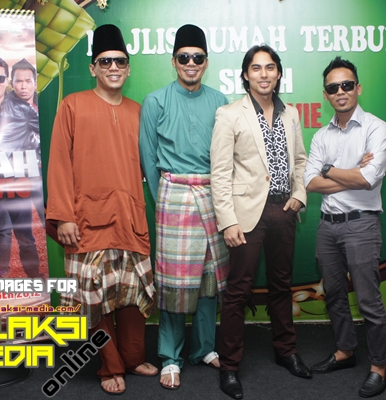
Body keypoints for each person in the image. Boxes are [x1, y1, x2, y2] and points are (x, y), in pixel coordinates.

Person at [46, 24, 157, 395]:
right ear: (93, 67)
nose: (113, 67)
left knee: (132, 295)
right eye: (105, 61)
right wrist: (63, 216)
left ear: (128, 68)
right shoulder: (72, 105)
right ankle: (110, 366)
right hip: (86, 222)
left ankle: (133, 357)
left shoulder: (139, 112)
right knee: (93, 301)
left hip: (130, 219)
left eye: (120, 62)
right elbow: (59, 163)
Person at [211, 44, 311, 400]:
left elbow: (300, 161)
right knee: (238, 291)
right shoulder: (229, 114)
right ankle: (230, 366)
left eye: (270, 67)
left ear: (279, 73)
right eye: (256, 68)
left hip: (284, 211)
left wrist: (300, 194)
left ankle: (286, 351)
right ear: (246, 74)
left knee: (282, 284)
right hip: (246, 216)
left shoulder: (291, 114)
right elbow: (220, 172)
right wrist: (228, 221)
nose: (264, 74)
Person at [139, 23, 229, 390]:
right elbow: (148, 158)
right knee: (174, 284)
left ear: (206, 62)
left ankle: (204, 348)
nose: (191, 63)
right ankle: (170, 357)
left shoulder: (220, 101)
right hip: (173, 194)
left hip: (212, 193)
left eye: (198, 57)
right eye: (184, 57)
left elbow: (226, 156)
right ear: (174, 61)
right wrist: (164, 198)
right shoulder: (156, 101)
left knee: (210, 280)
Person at [303, 57, 386, 398]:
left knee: (368, 300)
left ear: (358, 88)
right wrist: (351, 173)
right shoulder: (321, 135)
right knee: (335, 295)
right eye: (333, 87)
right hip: (328, 227)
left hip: (362, 225)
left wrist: (329, 169)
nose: (340, 91)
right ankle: (345, 351)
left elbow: (369, 179)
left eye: (347, 85)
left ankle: (379, 367)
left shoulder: (376, 128)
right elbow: (310, 183)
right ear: (326, 94)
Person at [0, 58, 43, 278]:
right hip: (16, 176)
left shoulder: (43, 102)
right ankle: (34, 276)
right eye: (18, 81)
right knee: (23, 231)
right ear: (12, 83)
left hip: (41, 174)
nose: (23, 86)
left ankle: (58, 271)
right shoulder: (8, 106)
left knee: (52, 222)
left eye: (28, 81)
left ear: (35, 82)